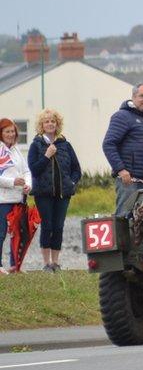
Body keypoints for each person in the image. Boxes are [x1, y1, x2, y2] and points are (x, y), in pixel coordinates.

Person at [27, 109, 81, 273]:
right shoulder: (36, 145)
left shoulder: (65, 144)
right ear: (41, 125)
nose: (50, 124)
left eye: (53, 121)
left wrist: (71, 182)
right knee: (47, 226)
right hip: (43, 194)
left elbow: (76, 169)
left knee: (58, 226)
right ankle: (46, 263)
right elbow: (34, 170)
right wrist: (46, 155)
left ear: (57, 124)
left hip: (63, 193)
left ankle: (56, 263)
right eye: (46, 121)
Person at [102, 84, 143, 216]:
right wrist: (121, 170)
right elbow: (108, 144)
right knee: (125, 217)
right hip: (130, 181)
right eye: (141, 96)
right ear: (133, 97)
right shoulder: (122, 116)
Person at [0, 119, 32, 272]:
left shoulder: (16, 150)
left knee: (17, 233)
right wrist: (13, 182)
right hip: (3, 199)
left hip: (18, 198)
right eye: (7, 131)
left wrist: (27, 184)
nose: (10, 134)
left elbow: (26, 171)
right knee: (1, 234)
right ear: (1, 133)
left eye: (12, 131)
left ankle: (15, 265)